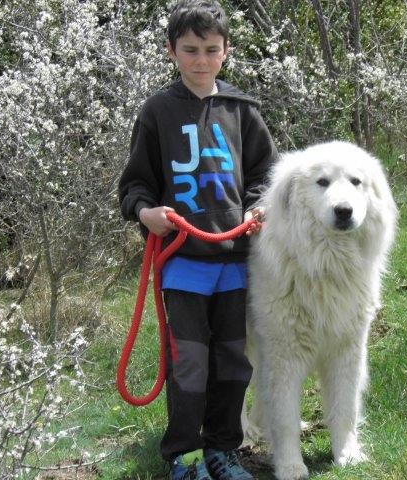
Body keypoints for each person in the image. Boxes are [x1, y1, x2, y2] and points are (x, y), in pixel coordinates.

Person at [118, 1, 278, 479]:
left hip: (235, 259)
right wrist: (147, 213)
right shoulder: (157, 112)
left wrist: (258, 205)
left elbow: (266, 174)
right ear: (171, 51)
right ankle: (184, 456)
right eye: (190, 50)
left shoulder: (242, 110)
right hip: (183, 262)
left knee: (232, 362)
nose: (201, 60)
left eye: (211, 49)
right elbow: (134, 185)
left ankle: (223, 451)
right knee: (189, 363)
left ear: (226, 51)